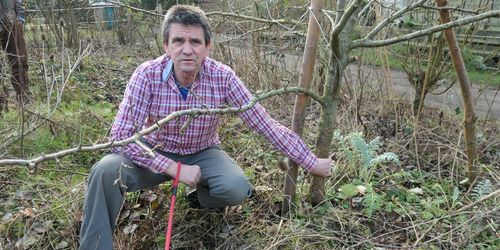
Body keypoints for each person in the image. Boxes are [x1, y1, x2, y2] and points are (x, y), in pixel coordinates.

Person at [79, 5, 333, 250]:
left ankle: (198, 196)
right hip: (154, 150)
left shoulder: (223, 77)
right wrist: (173, 168)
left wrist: (310, 162)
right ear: (166, 46)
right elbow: (121, 136)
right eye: (178, 41)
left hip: (202, 151)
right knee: (105, 171)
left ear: (208, 47)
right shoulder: (146, 74)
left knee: (236, 188)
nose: (187, 50)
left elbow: (263, 123)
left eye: (196, 42)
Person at [0, 0, 29, 105]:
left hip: (12, 21)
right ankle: (2, 103)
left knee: (19, 60)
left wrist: (20, 17)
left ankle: (24, 98)